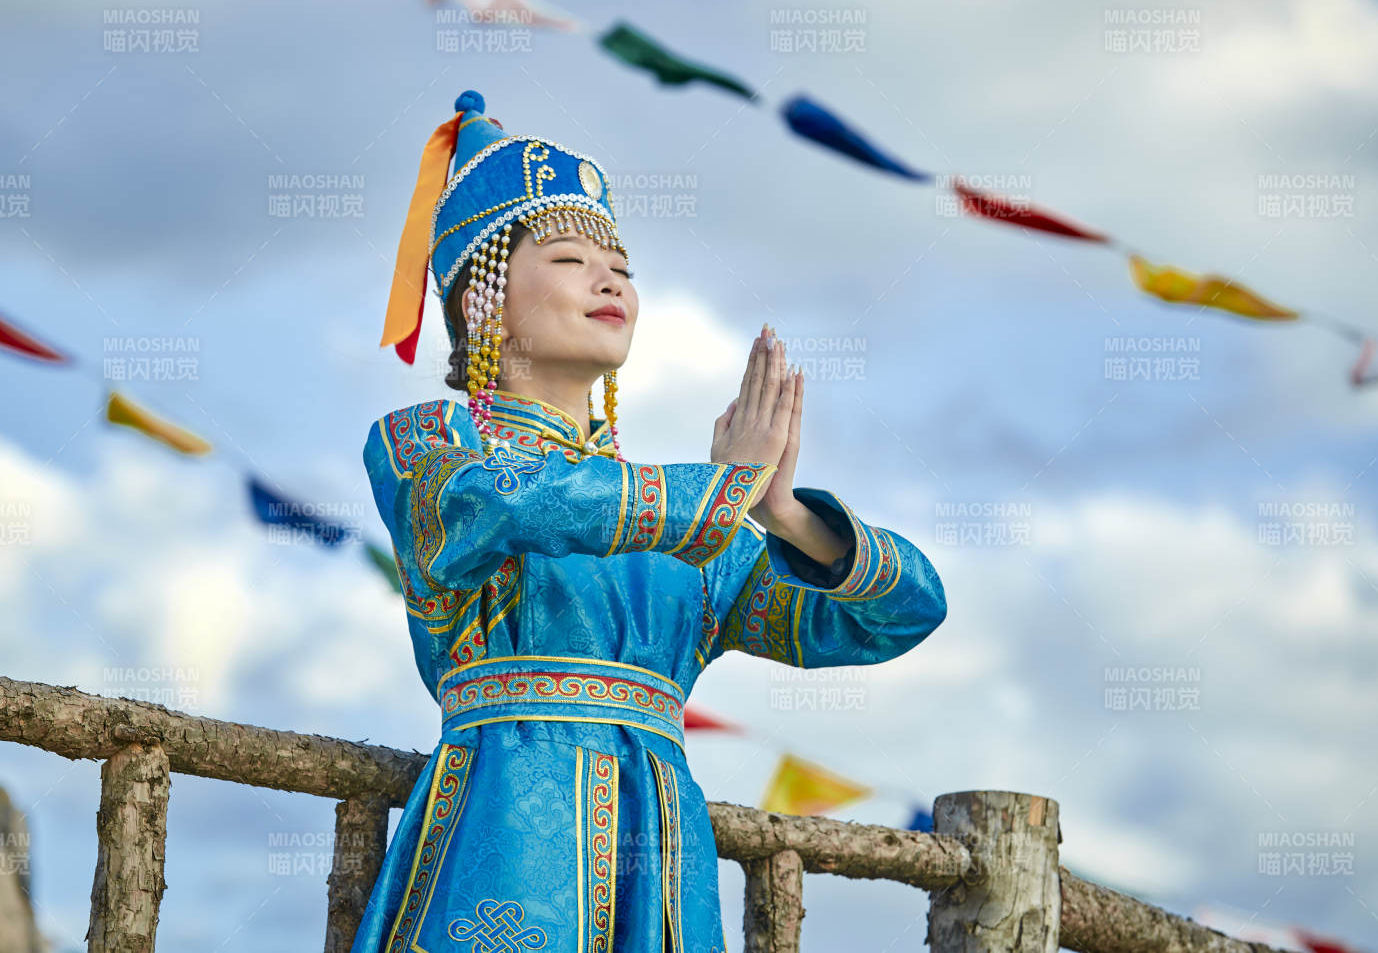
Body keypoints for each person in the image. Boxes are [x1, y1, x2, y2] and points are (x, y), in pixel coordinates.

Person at [356, 89, 947, 953]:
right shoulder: (426, 444)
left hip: (665, 856)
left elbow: (904, 611)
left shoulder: (693, 538)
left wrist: (780, 511)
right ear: (482, 299)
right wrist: (723, 493)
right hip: (506, 833)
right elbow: (510, 502)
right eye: (569, 259)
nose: (610, 282)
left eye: (623, 269)